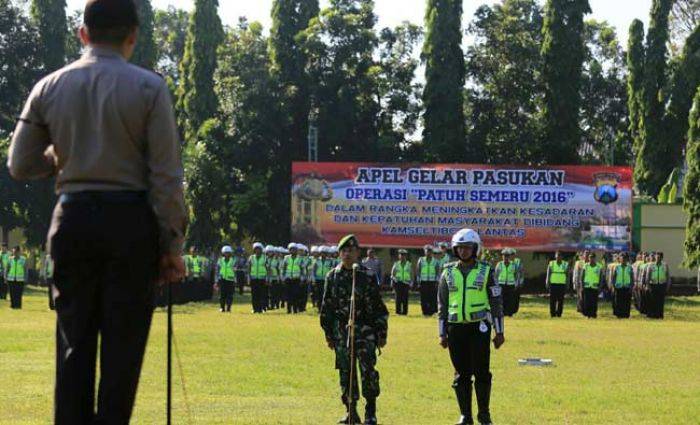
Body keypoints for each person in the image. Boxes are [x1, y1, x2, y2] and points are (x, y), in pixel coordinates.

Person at [7, 0, 187, 421]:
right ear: (133, 36)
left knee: (73, 349)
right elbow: (166, 177)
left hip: (73, 218)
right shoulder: (150, 88)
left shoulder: (50, 86)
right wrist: (171, 244)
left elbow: (19, 163)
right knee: (122, 354)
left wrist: (60, 154)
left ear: (82, 33)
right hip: (130, 223)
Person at [438, 228, 504, 425]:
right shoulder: (447, 272)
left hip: (479, 328)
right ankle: (465, 415)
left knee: (482, 372)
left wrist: (499, 331)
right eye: (460, 248)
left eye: (468, 247)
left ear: (475, 248)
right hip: (455, 329)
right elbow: (442, 304)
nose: (464, 251)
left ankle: (484, 414)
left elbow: (496, 303)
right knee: (461, 374)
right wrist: (442, 333)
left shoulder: (487, 270)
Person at [320, 234, 388, 425]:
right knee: (345, 373)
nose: (347, 254)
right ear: (339, 253)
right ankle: (351, 411)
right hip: (342, 332)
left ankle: (370, 412)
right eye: (344, 250)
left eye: (351, 250)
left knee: (368, 372)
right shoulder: (332, 276)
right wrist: (328, 334)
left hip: (365, 331)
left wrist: (381, 333)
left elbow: (378, 308)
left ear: (358, 253)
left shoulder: (366, 276)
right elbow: (327, 308)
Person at [495, 248, 522, 317]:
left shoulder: (513, 265)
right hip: (501, 284)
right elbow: (496, 275)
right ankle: (503, 313)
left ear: (509, 257)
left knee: (510, 300)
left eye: (507, 256)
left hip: (511, 284)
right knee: (502, 299)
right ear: (502, 256)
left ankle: (509, 313)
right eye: (504, 256)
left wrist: (516, 283)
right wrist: (496, 284)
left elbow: (516, 275)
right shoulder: (499, 264)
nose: (506, 257)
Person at [643, 252, 670, 319]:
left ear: (661, 258)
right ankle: (652, 315)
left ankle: (660, 315)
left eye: (659, 257)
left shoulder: (665, 265)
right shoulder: (651, 265)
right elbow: (647, 277)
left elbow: (668, 276)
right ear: (655, 257)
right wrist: (648, 286)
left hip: (662, 285)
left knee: (660, 301)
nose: (658, 258)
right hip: (653, 285)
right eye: (657, 257)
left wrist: (667, 286)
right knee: (652, 301)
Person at [578, 252, 604, 318]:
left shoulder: (599, 266)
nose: (591, 259)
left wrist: (600, 287)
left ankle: (593, 314)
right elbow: (582, 277)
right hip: (587, 286)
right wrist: (582, 286)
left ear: (595, 258)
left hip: (595, 287)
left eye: (592, 257)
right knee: (587, 301)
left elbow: (601, 278)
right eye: (590, 257)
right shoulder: (585, 266)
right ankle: (587, 315)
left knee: (594, 302)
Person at [416, 245, 440, 316]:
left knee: (432, 297)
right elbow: (418, 270)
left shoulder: (435, 261)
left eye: (430, 251)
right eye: (427, 251)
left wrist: (437, 281)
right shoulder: (421, 260)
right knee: (424, 297)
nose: (428, 253)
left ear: (432, 252)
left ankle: (431, 312)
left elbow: (437, 271)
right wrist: (418, 280)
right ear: (425, 252)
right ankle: (425, 312)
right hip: (423, 281)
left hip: (432, 282)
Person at [609, 253, 634, 318]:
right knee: (619, 302)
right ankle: (619, 315)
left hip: (627, 287)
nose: (623, 260)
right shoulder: (617, 267)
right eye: (622, 259)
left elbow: (632, 278)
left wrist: (631, 287)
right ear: (620, 259)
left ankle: (626, 315)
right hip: (618, 287)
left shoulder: (629, 267)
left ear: (627, 259)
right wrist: (613, 286)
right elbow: (613, 277)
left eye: (625, 259)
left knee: (626, 302)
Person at [545, 251, 569, 317]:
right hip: (553, 284)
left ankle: (559, 313)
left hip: (562, 284)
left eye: (560, 256)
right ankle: (552, 313)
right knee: (552, 300)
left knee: (560, 300)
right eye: (557, 256)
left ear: (562, 257)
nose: (558, 257)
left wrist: (567, 284)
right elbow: (548, 273)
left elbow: (567, 275)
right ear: (555, 256)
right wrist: (547, 282)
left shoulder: (565, 264)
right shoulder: (551, 263)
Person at [282, 243, 303, 314]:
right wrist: (283, 277)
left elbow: (302, 269)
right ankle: (288, 309)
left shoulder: (300, 258)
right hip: (288, 279)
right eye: (291, 249)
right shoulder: (286, 258)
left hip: (296, 279)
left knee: (296, 294)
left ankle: (295, 309)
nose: (293, 251)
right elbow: (284, 268)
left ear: (296, 250)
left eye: (294, 249)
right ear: (289, 250)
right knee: (288, 294)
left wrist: (302, 278)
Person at [247, 242, 268, 313]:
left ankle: (260, 308)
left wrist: (267, 278)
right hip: (253, 279)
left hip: (262, 279)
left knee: (261, 294)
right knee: (254, 295)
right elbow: (249, 268)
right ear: (254, 250)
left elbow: (268, 269)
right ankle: (254, 308)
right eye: (256, 249)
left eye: (259, 249)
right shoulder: (251, 258)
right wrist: (248, 278)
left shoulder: (265, 258)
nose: (258, 250)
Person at [391, 249, 413, 315]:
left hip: (406, 283)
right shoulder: (396, 264)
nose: (402, 256)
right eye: (401, 255)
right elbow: (392, 274)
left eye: (403, 255)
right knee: (398, 298)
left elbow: (411, 274)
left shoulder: (409, 264)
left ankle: (405, 312)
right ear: (399, 256)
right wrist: (394, 280)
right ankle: (398, 312)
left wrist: (411, 283)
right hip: (398, 283)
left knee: (405, 299)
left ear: (406, 256)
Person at [217, 246, 236, 312]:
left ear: (230, 253)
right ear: (223, 253)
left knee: (229, 295)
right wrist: (217, 279)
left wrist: (235, 280)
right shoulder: (220, 260)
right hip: (222, 280)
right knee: (222, 295)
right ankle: (222, 307)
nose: (227, 254)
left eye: (228, 253)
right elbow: (218, 270)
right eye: (225, 253)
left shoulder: (233, 261)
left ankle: (228, 307)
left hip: (230, 280)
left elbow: (235, 271)